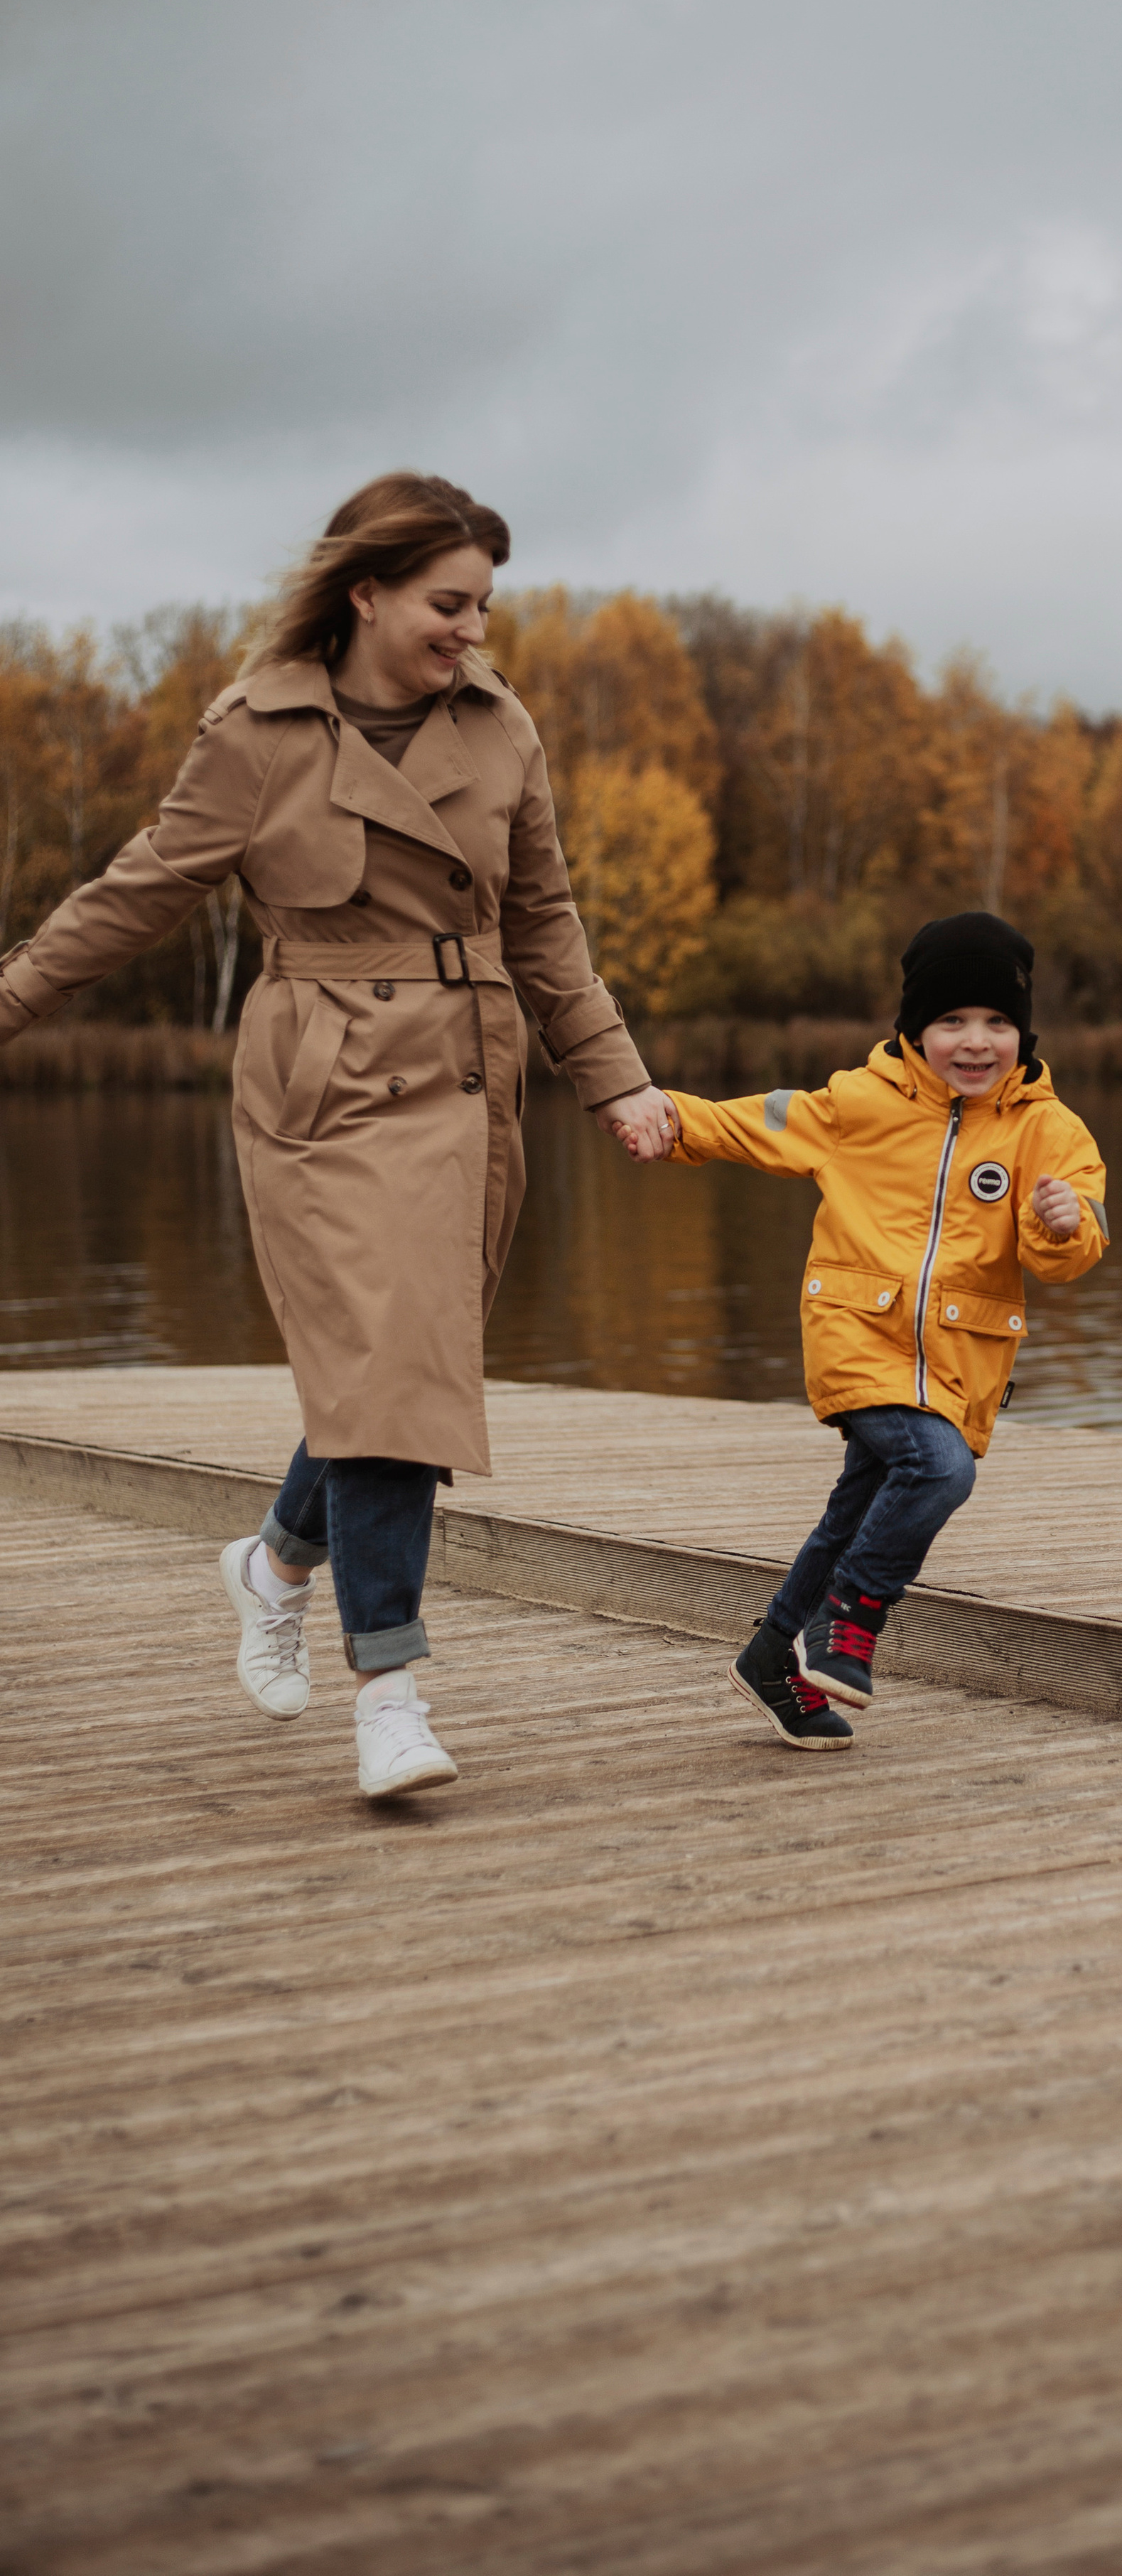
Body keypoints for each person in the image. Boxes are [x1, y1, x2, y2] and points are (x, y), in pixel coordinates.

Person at [0, 474, 674, 1797]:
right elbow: (138, 893)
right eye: (447, 602)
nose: (471, 630)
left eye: (484, 605)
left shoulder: (502, 728)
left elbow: (545, 924)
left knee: (396, 1368)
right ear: (365, 590)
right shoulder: (258, 732)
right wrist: (10, 995)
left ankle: (275, 1563)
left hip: (467, 1079)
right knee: (390, 1366)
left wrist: (616, 1080)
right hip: (322, 1082)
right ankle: (393, 1691)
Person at [614, 912, 1107, 1749]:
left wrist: (1064, 1224)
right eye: (951, 1021)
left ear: (1024, 1031)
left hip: (959, 1361)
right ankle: (851, 1615)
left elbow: (1068, 1253)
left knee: (858, 1509)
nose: (976, 1042)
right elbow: (758, 1121)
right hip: (858, 1336)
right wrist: (671, 1119)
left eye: (997, 1022)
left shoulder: (1047, 1130)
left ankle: (772, 1655)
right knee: (937, 1467)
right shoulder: (858, 1104)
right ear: (916, 1030)